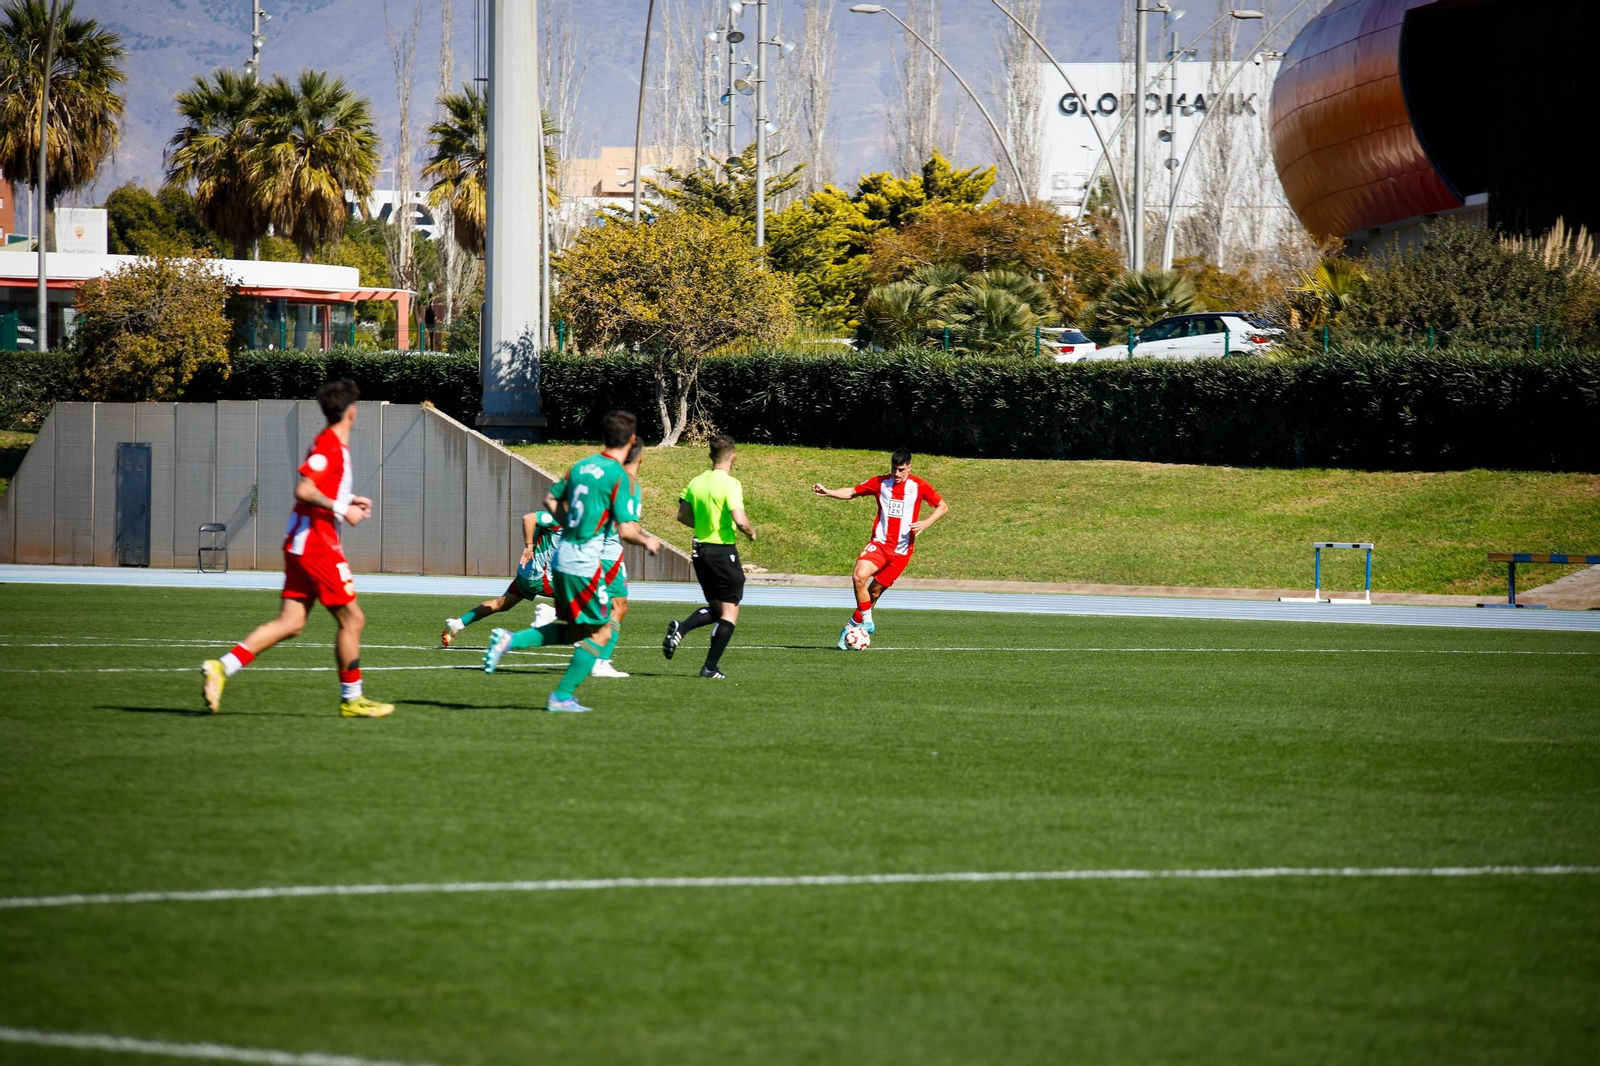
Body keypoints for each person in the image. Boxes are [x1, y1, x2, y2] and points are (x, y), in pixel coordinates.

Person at [201, 380, 393, 718]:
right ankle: (352, 699)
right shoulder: (329, 447)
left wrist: (348, 500)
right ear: (351, 411)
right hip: (316, 545)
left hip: (302, 543)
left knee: (291, 623)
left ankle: (222, 667)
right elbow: (304, 489)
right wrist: (341, 509)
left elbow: (320, 489)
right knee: (353, 619)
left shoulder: (332, 446)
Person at [482, 410, 659, 712]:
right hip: (584, 563)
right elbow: (627, 530)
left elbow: (550, 501)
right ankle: (561, 695)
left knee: (579, 631)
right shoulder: (621, 477)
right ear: (631, 440)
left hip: (562, 558)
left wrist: (571, 523)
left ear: (603, 437)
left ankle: (510, 642)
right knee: (601, 632)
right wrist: (648, 540)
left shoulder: (581, 465)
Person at [811, 446, 947, 650]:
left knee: (874, 593)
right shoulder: (881, 483)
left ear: (909, 467)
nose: (897, 473)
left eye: (901, 469)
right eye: (894, 469)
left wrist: (926, 523)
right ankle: (867, 620)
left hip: (901, 552)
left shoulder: (919, 486)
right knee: (859, 576)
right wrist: (828, 492)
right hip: (880, 544)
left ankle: (850, 629)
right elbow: (851, 492)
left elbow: (942, 506)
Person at [662, 434, 756, 679]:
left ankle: (681, 628)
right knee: (730, 613)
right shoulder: (730, 483)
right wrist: (750, 532)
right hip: (723, 550)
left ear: (709, 455)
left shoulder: (696, 482)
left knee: (717, 609)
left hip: (700, 551)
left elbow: (682, 516)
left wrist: (703, 526)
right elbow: (739, 519)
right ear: (733, 455)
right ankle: (709, 668)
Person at [438, 510, 561, 647]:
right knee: (579, 598)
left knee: (501, 604)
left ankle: (459, 623)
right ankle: (550, 613)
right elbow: (529, 518)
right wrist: (529, 547)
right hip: (537, 575)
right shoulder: (558, 517)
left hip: (527, 573)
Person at [587, 439, 645, 678]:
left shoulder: (602, 476)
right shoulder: (630, 484)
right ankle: (601, 662)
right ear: (639, 458)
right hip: (608, 554)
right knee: (618, 607)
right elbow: (627, 528)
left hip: (587, 550)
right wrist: (646, 540)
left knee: (598, 607)